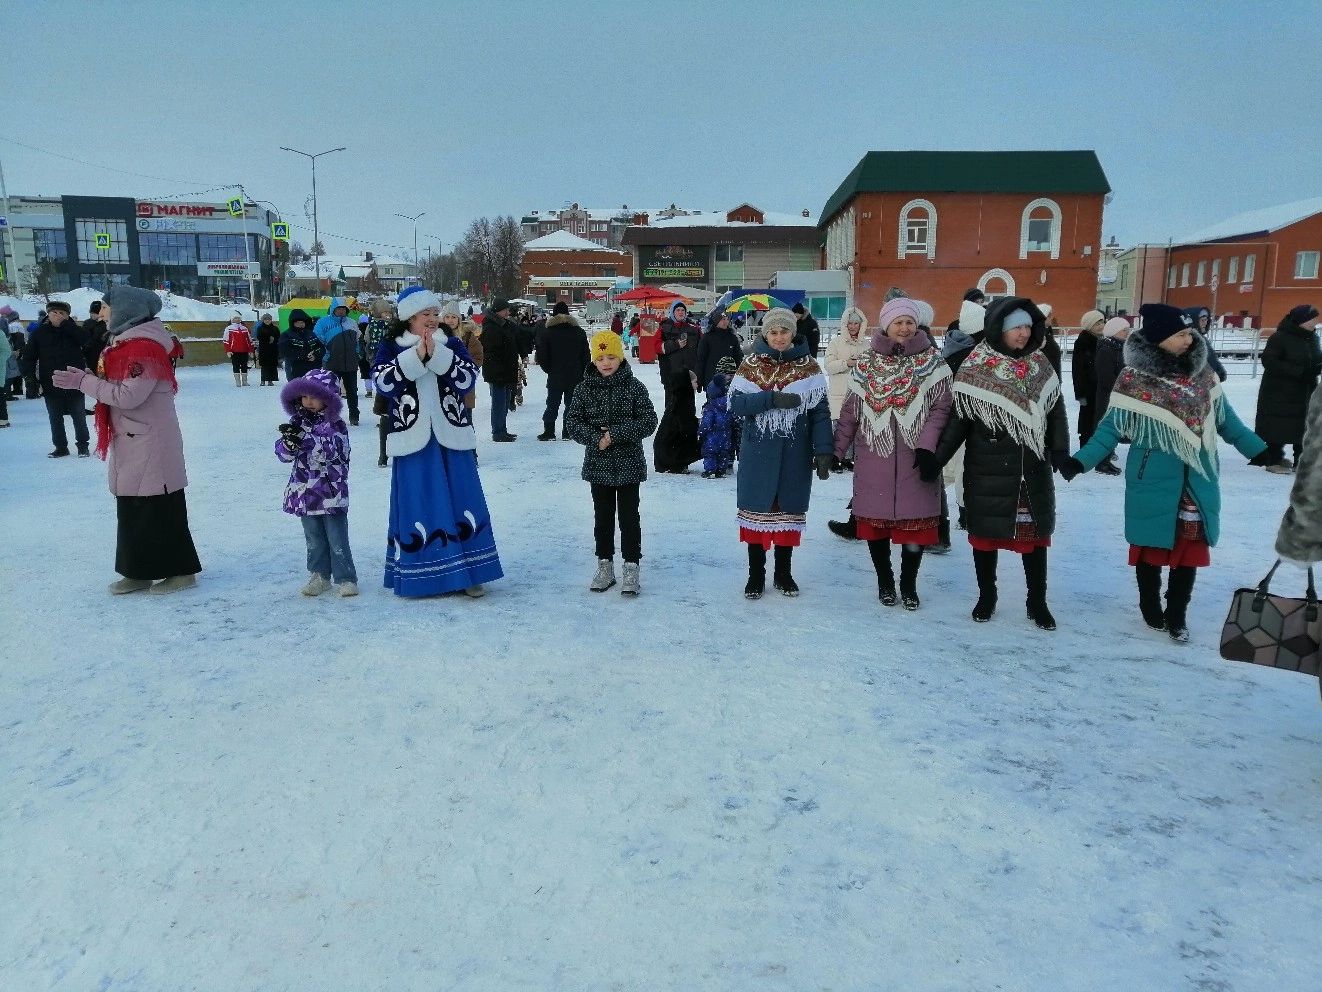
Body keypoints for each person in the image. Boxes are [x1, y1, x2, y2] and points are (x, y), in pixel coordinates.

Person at [1063, 303, 1266, 643]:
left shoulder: (1203, 375)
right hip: (1151, 476)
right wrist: (1080, 461)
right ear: (1159, 339)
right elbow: (1110, 428)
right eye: (1182, 334)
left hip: (1197, 476)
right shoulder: (1133, 379)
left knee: (1189, 550)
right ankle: (1149, 602)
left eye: (1190, 333)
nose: (1190, 339)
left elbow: (1227, 421)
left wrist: (1260, 449)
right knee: (1151, 546)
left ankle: (1177, 613)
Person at [50, 285, 201, 594]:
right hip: (132, 437)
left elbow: (129, 395)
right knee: (132, 509)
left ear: (125, 310)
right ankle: (138, 571)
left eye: (105, 307)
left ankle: (181, 571)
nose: (101, 313)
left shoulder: (144, 348)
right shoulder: (123, 345)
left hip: (150, 441)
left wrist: (84, 382)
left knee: (160, 508)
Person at [932, 298, 1069, 630]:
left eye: (1027, 327)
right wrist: (935, 460)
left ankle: (1037, 601)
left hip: (1031, 468)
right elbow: (957, 421)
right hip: (988, 467)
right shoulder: (975, 367)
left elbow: (1056, 411)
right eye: (1016, 328)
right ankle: (987, 595)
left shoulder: (1041, 364)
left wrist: (1061, 450)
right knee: (985, 538)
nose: (1023, 334)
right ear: (999, 330)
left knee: (1034, 540)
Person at [373, 286, 502, 597]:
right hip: (411, 438)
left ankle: (471, 572)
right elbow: (381, 382)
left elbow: (468, 379)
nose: (432, 319)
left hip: (451, 436)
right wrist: (415, 358)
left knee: (462, 499)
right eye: (424, 315)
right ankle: (422, 576)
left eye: (434, 313)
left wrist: (439, 355)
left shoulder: (453, 343)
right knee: (419, 501)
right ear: (409, 319)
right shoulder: (391, 345)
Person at [837, 298, 953, 610]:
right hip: (874, 454)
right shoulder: (867, 364)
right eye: (898, 322)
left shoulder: (934, 363)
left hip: (918, 458)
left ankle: (909, 584)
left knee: (914, 528)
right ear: (886, 326)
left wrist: (927, 447)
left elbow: (941, 409)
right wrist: (836, 449)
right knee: (875, 527)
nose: (904, 327)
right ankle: (885, 580)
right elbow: (850, 410)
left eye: (909, 322)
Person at [729, 307, 832, 598]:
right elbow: (737, 405)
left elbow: (820, 413)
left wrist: (824, 450)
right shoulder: (749, 364)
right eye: (773, 331)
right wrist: (770, 398)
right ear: (765, 333)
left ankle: (784, 573)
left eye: (784, 331)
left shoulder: (810, 367)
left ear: (793, 332)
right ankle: (756, 574)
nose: (778, 337)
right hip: (758, 451)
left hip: (794, 452)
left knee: (788, 515)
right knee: (756, 514)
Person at [564, 330, 659, 596]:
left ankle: (631, 566)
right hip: (598, 465)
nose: (606, 362)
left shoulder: (634, 386)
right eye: (600, 357)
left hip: (629, 465)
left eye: (611, 357)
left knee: (629, 518)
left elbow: (648, 420)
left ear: (620, 357)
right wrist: (597, 438)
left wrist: (615, 434)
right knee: (602, 518)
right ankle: (604, 564)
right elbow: (573, 423)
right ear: (593, 360)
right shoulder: (584, 389)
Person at [276, 367, 358, 597]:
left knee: (336, 536)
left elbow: (335, 454)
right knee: (313, 538)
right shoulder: (297, 423)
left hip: (331, 493)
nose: (309, 401)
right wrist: (290, 443)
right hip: (305, 493)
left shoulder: (337, 426)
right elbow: (283, 456)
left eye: (315, 396)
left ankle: (346, 577)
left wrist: (307, 441)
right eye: (304, 396)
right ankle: (319, 575)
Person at [1253, 303, 1320, 474]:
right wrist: (1299, 372)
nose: (1316, 321)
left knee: (1305, 425)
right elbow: (1269, 361)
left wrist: (1317, 366)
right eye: (1312, 318)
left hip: (1305, 390)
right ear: (1301, 320)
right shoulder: (1280, 337)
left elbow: (1315, 358)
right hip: (1280, 390)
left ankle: (1302, 461)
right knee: (1278, 425)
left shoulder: (1313, 337)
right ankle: (1274, 459)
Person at [22, 300, 91, 457]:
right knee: (55, 417)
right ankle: (60, 447)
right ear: (48, 314)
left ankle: (82, 445)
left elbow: (87, 341)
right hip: (50, 381)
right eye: (55, 312)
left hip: (75, 381)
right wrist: (31, 378)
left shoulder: (74, 330)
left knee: (79, 415)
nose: (58, 315)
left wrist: (67, 326)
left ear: (67, 315)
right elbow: (29, 357)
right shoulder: (39, 333)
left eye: (62, 313)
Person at [824, 306, 870, 471]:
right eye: (849, 323)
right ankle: (835, 459)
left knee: (856, 428)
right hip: (839, 393)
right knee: (839, 427)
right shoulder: (835, 343)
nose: (853, 326)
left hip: (859, 394)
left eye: (856, 323)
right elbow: (828, 366)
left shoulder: (867, 345)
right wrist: (846, 363)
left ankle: (848, 459)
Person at [536, 301, 590, 441]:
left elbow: (542, 356)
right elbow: (586, 355)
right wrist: (584, 371)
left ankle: (549, 431)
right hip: (575, 375)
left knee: (552, 404)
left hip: (555, 375)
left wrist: (549, 369)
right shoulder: (579, 332)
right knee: (571, 405)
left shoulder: (548, 333)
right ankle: (568, 432)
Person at [1091, 317, 1131, 475]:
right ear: (1114, 331)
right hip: (1108, 396)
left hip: (1118, 395)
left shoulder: (1119, 347)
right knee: (1105, 429)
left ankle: (1105, 459)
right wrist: (1122, 388)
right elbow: (1105, 376)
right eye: (1123, 330)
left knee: (1112, 428)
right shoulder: (1106, 349)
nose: (1127, 333)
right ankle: (1101, 462)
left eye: (1128, 330)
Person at [315, 298, 361, 426]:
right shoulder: (323, 323)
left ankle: (354, 415)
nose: (341, 311)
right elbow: (318, 340)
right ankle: (330, 415)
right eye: (338, 309)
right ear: (333, 309)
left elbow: (357, 340)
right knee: (331, 391)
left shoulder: (352, 323)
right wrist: (325, 355)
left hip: (350, 363)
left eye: (343, 309)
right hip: (332, 362)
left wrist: (357, 353)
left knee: (352, 391)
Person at [479, 298, 520, 441]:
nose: (508, 312)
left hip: (506, 370)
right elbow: (492, 352)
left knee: (505, 401)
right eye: (506, 310)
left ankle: (502, 429)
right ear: (498, 311)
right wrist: (499, 370)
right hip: (497, 372)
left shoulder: (503, 325)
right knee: (499, 402)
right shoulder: (491, 327)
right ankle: (497, 432)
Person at [699, 355, 739, 479]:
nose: (729, 377)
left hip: (728, 422)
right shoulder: (716, 384)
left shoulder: (735, 386)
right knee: (716, 449)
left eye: (732, 374)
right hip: (720, 422)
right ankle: (718, 467)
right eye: (726, 374)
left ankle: (724, 464)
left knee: (729, 442)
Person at [1073, 309, 1105, 446]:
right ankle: (1085, 448)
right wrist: (1081, 394)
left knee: (1100, 421)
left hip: (1100, 389)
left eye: (1102, 322)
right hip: (1088, 390)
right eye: (1097, 323)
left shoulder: (1101, 340)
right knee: (1088, 422)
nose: (1101, 325)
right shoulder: (1083, 342)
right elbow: (1078, 370)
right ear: (1089, 325)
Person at [695, 307, 744, 390]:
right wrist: (699, 380)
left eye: (727, 319)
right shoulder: (707, 338)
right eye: (722, 319)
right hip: (711, 380)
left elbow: (738, 358)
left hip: (729, 380)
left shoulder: (732, 338)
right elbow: (701, 360)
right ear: (716, 321)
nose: (725, 322)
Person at [658, 300, 700, 389]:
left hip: (690, 374)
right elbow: (656, 347)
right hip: (670, 374)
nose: (680, 312)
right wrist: (675, 345)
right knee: (672, 402)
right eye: (678, 310)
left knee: (688, 402)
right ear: (673, 312)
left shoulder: (694, 328)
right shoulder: (663, 327)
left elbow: (701, 349)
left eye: (683, 310)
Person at [279, 308, 322, 381]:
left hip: (312, 369)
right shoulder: (286, 335)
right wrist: (302, 355)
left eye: (302, 322)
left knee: (311, 391)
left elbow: (320, 348)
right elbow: (284, 351)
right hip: (295, 369)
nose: (300, 324)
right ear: (292, 323)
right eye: (298, 322)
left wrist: (315, 355)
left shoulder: (311, 334)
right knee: (297, 391)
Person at [222, 312, 254, 386]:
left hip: (244, 351)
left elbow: (249, 340)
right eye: (235, 318)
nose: (237, 319)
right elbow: (226, 341)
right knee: (236, 366)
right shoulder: (229, 329)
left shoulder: (244, 328)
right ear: (232, 319)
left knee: (244, 365)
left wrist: (251, 350)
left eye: (238, 318)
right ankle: (237, 381)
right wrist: (228, 351)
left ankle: (244, 381)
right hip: (234, 351)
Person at [83, 300, 110, 371]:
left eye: (93, 313)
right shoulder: (87, 323)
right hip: (89, 354)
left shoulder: (105, 324)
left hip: (100, 353)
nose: (91, 314)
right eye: (90, 312)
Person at [256, 313, 281, 385]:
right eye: (265, 319)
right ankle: (263, 380)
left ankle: (270, 380)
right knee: (264, 365)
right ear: (263, 320)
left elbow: (278, 337)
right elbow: (259, 337)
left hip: (273, 349)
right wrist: (268, 338)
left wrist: (274, 339)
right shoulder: (260, 328)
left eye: (269, 319)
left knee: (272, 365)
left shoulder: (275, 328)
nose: (267, 321)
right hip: (264, 349)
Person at [356, 313, 375, 398]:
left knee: (366, 373)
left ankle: (369, 391)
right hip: (372, 353)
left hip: (362, 355)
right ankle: (380, 391)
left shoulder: (356, 329)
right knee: (375, 372)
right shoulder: (372, 327)